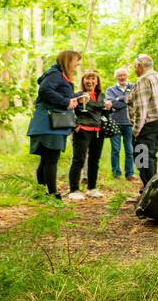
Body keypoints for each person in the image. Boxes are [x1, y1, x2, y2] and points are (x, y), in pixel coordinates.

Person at [26, 49, 81, 200]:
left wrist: (76, 98)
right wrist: (66, 102)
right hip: (48, 123)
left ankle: (42, 191)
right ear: (68, 60)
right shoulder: (55, 74)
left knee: (46, 159)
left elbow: (60, 96)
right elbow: (44, 91)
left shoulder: (59, 75)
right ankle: (52, 194)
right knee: (51, 159)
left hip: (50, 123)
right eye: (76, 60)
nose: (78, 63)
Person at [67, 70, 111, 200]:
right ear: (83, 81)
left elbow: (103, 114)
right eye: (87, 78)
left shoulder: (101, 95)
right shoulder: (78, 95)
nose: (90, 81)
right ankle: (74, 189)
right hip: (82, 131)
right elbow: (69, 110)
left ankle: (92, 188)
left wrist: (109, 108)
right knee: (78, 160)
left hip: (98, 132)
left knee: (94, 161)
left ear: (97, 82)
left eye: (93, 79)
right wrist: (75, 126)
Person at [129, 53, 158, 186]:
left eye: (135, 67)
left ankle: (150, 189)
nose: (135, 70)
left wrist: (135, 131)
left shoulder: (143, 80)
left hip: (147, 125)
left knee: (142, 158)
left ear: (140, 66)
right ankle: (150, 187)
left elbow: (141, 109)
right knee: (150, 156)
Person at [105, 67, 135, 182]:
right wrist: (125, 100)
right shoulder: (110, 90)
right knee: (116, 149)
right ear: (116, 77)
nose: (122, 77)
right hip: (114, 123)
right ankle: (116, 173)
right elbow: (112, 104)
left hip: (129, 123)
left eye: (124, 75)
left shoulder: (132, 87)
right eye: (119, 75)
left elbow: (134, 101)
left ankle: (130, 174)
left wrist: (119, 99)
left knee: (129, 149)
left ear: (127, 76)